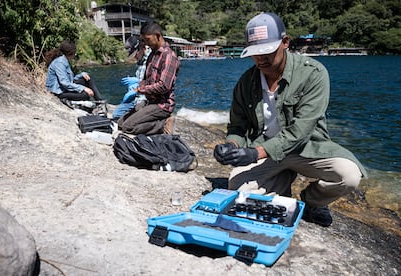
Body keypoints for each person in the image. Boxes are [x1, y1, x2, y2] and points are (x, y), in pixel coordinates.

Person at [213, 12, 367, 227]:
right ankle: (282, 183)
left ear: (285, 42)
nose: (261, 59)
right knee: (239, 192)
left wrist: (253, 154)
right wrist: (231, 145)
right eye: (255, 53)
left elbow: (301, 131)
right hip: (265, 151)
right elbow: (238, 126)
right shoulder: (246, 82)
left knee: (349, 175)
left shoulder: (313, 73)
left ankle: (313, 201)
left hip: (306, 149)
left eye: (267, 51)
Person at [117, 21, 180, 135]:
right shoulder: (152, 55)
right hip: (150, 101)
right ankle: (155, 121)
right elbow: (148, 79)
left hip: (162, 105)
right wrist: (140, 85)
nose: (146, 43)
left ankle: (163, 124)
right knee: (121, 122)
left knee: (128, 127)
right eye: (144, 40)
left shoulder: (169, 56)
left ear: (158, 36)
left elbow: (164, 86)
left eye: (148, 39)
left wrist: (142, 90)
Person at [45, 40, 103, 106]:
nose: (75, 55)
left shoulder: (65, 61)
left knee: (87, 78)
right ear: (71, 53)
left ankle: (99, 102)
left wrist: (81, 75)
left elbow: (70, 80)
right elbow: (64, 83)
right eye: (74, 53)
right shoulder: (60, 63)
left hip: (64, 89)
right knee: (85, 95)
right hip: (58, 92)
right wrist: (83, 88)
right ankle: (68, 101)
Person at [112, 38, 152, 121]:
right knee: (116, 114)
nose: (135, 57)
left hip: (145, 97)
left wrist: (138, 82)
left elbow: (154, 81)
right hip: (137, 96)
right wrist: (133, 86)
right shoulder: (140, 61)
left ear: (141, 48)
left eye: (135, 54)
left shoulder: (151, 59)